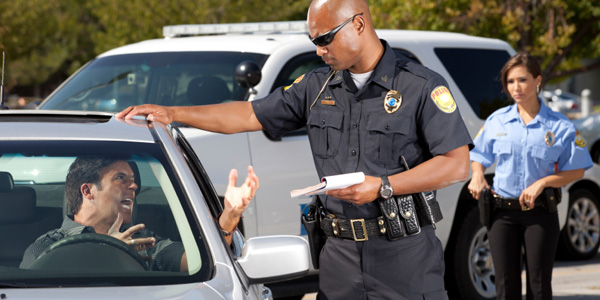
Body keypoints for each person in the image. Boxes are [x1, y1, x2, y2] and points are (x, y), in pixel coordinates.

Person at [117, 0, 472, 298]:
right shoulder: (317, 86)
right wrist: (173, 113)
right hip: (339, 259)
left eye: (326, 39)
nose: (319, 50)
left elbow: (457, 165)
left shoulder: (420, 85)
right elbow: (247, 114)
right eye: (313, 40)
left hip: (404, 257)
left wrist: (384, 186)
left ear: (359, 24)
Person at [468, 52, 592, 300]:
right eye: (510, 81)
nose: (516, 87)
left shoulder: (559, 125)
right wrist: (477, 175)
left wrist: (543, 183)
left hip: (540, 215)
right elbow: (478, 155)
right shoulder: (497, 121)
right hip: (501, 214)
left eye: (522, 80)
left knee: (538, 287)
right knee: (505, 287)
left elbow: (577, 169)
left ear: (538, 80)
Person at [20, 156, 259, 271]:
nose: (133, 187)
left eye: (133, 181)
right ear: (87, 191)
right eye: (121, 179)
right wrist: (106, 250)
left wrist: (229, 215)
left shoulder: (143, 240)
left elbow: (198, 262)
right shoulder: (46, 247)